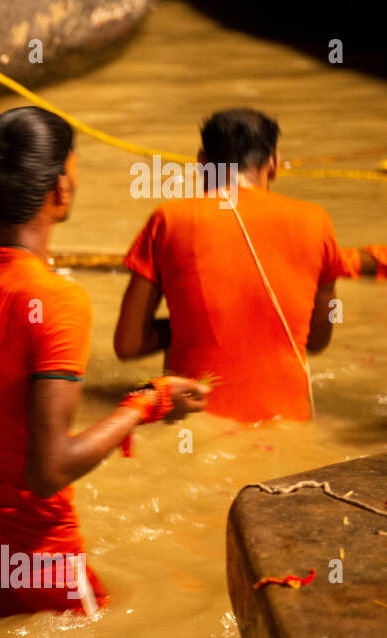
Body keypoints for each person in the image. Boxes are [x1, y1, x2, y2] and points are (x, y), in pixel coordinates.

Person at [0, 107, 208, 616]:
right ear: (60, 190)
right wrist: (149, 401)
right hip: (44, 578)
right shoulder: (58, 300)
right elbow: (49, 470)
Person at [114, 108, 343, 422]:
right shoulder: (317, 222)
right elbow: (317, 339)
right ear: (274, 163)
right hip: (288, 426)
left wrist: (182, 329)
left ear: (202, 163)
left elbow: (128, 343)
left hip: (195, 422)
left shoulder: (169, 219)